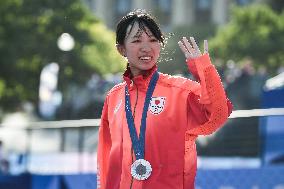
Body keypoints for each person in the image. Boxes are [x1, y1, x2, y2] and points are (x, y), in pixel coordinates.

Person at [97, 9, 232, 189]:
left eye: (153, 40)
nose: (146, 47)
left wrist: (203, 69)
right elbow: (106, 156)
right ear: (121, 49)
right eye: (137, 40)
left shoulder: (181, 91)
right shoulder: (114, 97)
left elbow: (217, 115)